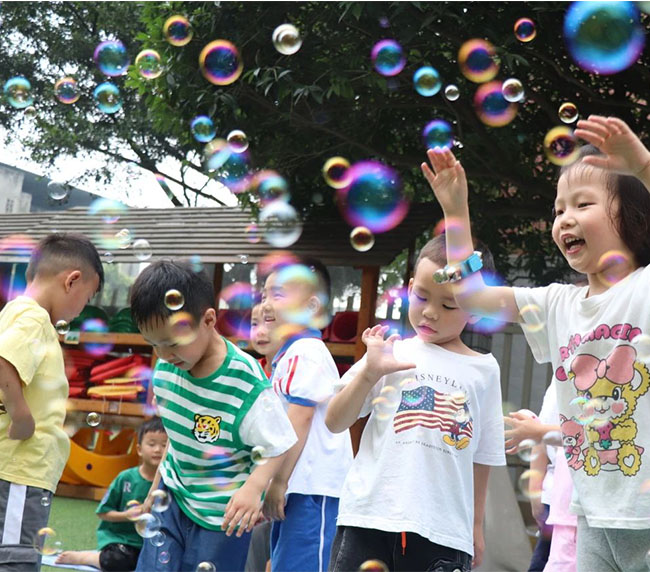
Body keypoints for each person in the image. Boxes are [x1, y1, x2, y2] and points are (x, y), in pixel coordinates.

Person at [422, 115, 650, 571]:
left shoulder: (643, 289)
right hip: (589, 512)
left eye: (582, 203)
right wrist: (455, 212)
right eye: (558, 209)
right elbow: (471, 295)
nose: (565, 217)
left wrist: (642, 166)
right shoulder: (558, 303)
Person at [326, 234, 506, 572]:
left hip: (443, 533)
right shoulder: (389, 352)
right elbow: (334, 421)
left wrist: (476, 526)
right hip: (368, 519)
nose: (431, 312)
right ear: (409, 287)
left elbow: (484, 455)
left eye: (449, 305)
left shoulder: (484, 370)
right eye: (421, 296)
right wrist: (368, 372)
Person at [128, 260, 297, 572]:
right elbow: (176, 439)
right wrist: (157, 488)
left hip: (224, 512)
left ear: (208, 320)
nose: (164, 355)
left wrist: (253, 488)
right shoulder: (167, 368)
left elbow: (278, 442)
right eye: (154, 344)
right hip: (173, 495)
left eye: (172, 343)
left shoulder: (244, 381)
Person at [0, 233, 103, 571]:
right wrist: (22, 415)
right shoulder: (34, 318)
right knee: (15, 559)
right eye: (86, 298)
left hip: (18, 469)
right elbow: (2, 360)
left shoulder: (16, 312)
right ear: (72, 280)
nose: (81, 309)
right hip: (20, 469)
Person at [260, 257, 353, 572]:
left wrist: (278, 480)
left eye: (279, 294)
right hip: (300, 485)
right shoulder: (290, 354)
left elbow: (299, 419)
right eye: (264, 294)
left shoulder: (306, 353)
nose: (267, 303)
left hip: (313, 488)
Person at [55, 417, 168, 571]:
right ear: (139, 449)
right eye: (152, 444)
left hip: (150, 545)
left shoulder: (168, 483)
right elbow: (103, 513)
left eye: (163, 445)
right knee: (118, 560)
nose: (157, 450)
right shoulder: (125, 478)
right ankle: (88, 557)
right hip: (123, 542)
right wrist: (127, 515)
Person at [505, 387, 577, 572]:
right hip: (554, 497)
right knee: (543, 561)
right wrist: (536, 491)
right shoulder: (557, 382)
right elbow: (540, 436)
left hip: (579, 500)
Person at [244, 304, 282, 572]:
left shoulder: (290, 373)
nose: (260, 331)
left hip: (275, 483)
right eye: (255, 324)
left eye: (269, 322)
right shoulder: (248, 373)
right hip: (246, 482)